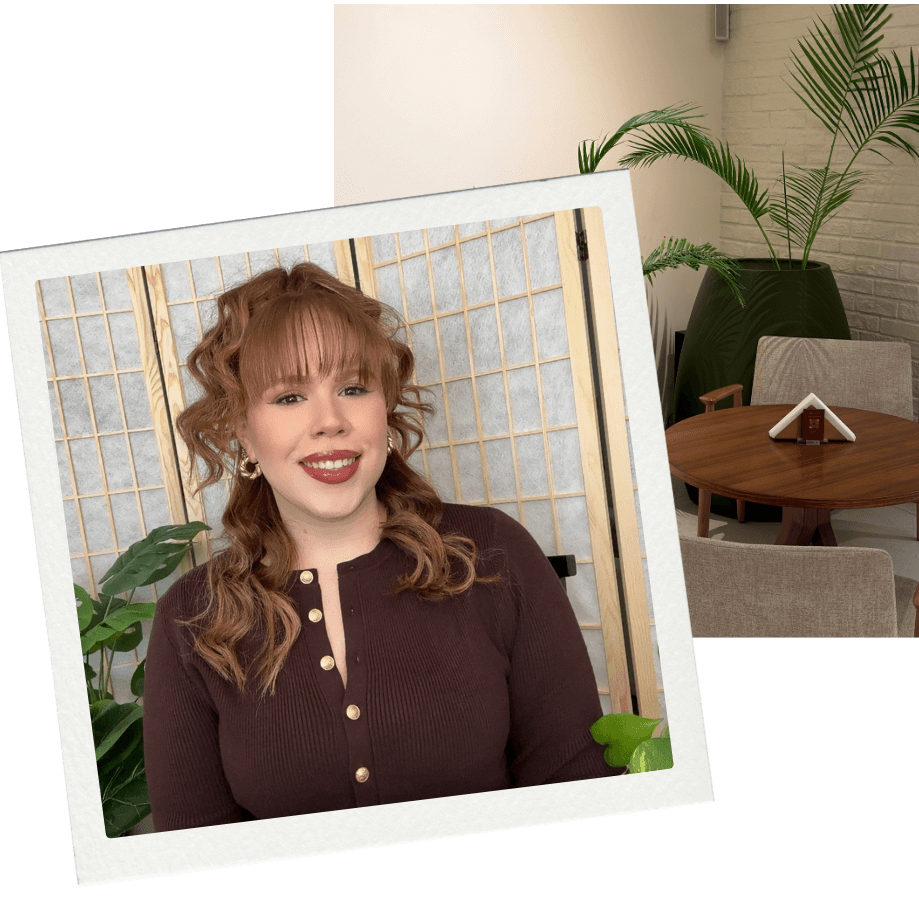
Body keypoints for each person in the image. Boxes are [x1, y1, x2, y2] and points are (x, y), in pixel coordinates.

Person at [143, 262, 621, 830]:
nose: (330, 421)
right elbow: (193, 847)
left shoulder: (492, 554)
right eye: (290, 396)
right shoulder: (191, 618)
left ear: (383, 410)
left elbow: (573, 783)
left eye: (352, 388)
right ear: (244, 433)